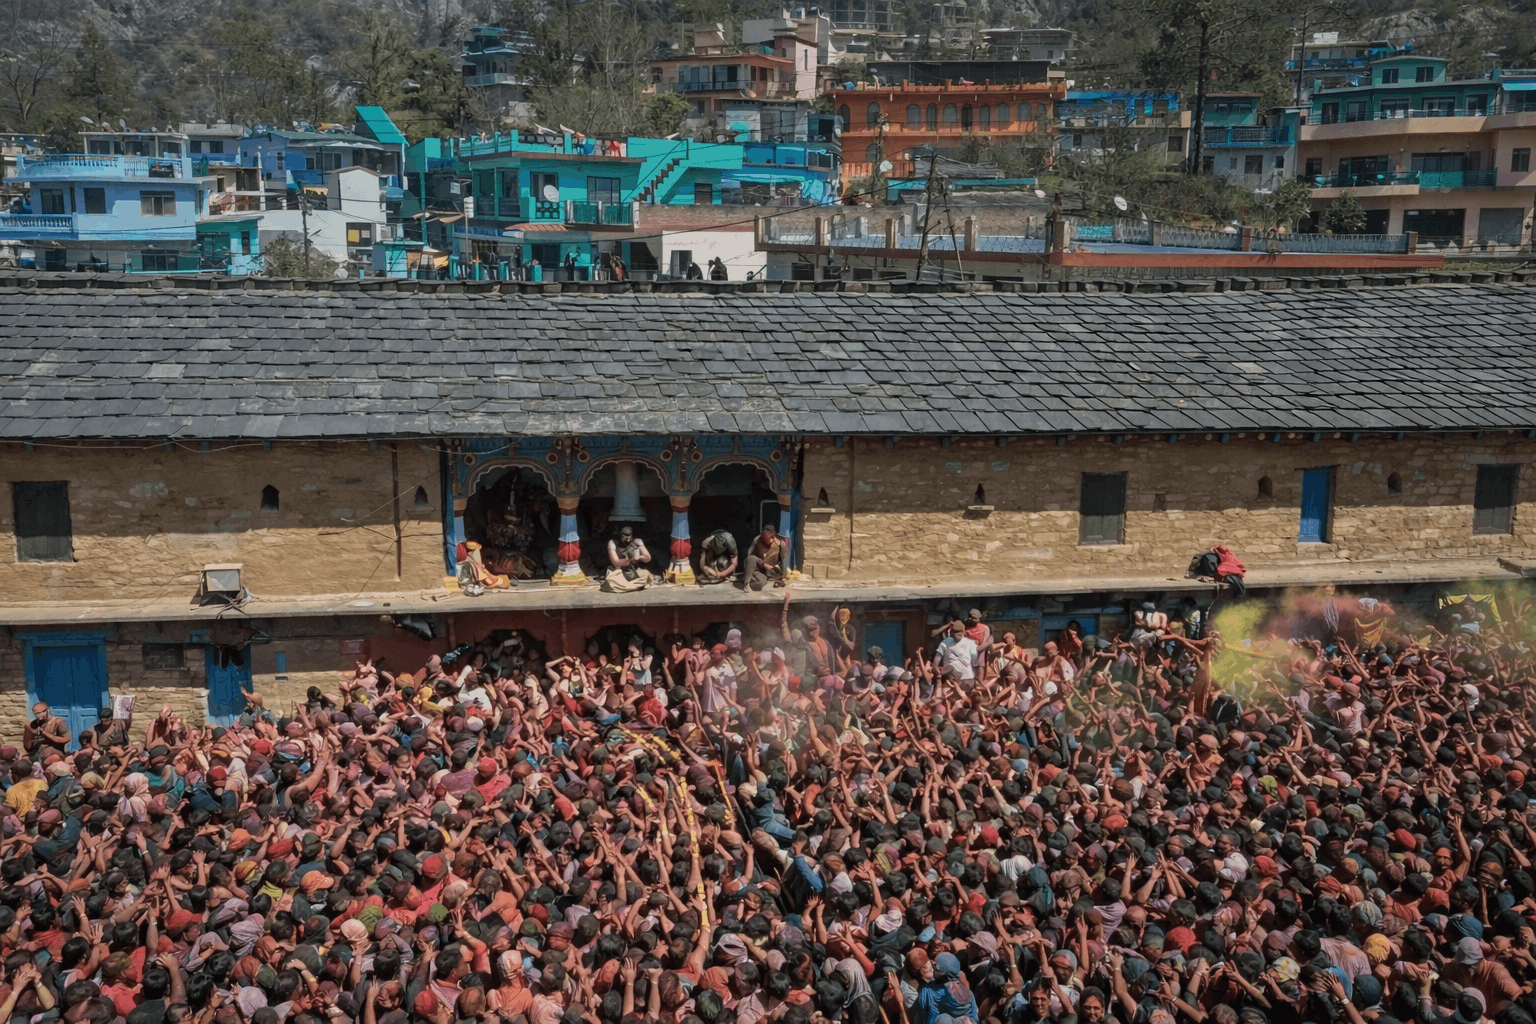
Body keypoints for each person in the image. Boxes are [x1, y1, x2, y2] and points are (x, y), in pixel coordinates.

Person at [604, 524, 655, 592]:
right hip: (619, 571)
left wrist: (639, 558)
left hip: (635, 570)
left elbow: (648, 558)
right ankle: (632, 586)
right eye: (625, 535)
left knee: (646, 575)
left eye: (629, 535)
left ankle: (632, 585)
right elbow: (615, 563)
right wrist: (626, 561)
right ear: (619, 534)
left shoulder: (637, 542)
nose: (627, 539)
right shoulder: (613, 543)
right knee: (612, 581)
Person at [740, 523, 786, 591]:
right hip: (759, 568)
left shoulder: (780, 543)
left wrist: (783, 576)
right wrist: (761, 563)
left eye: (768, 536)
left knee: (760, 583)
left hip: (770, 572)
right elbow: (749, 558)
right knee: (751, 558)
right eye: (764, 536)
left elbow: (783, 561)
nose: (765, 539)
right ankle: (746, 583)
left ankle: (750, 580)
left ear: (773, 536)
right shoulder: (757, 540)